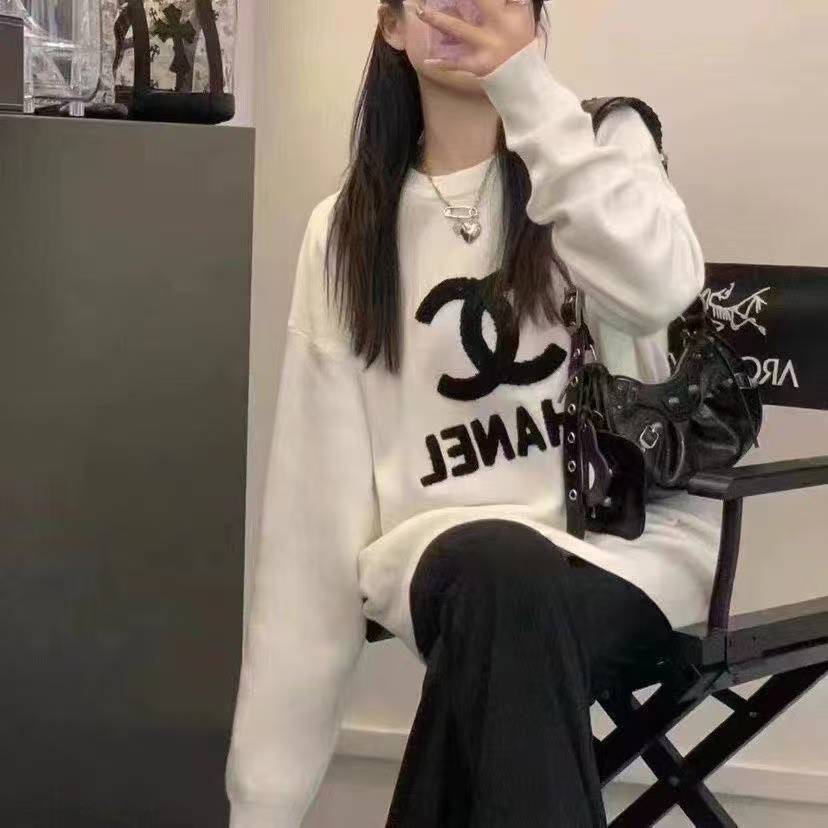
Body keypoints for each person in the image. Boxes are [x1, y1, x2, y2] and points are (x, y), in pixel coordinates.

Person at [225, 1, 723, 825]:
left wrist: (525, 91)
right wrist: (263, 799)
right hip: (452, 566)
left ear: (534, 20)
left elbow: (660, 287)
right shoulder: (346, 231)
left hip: (624, 562)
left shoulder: (599, 149)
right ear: (392, 26)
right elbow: (313, 517)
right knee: (499, 572)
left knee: (502, 616)